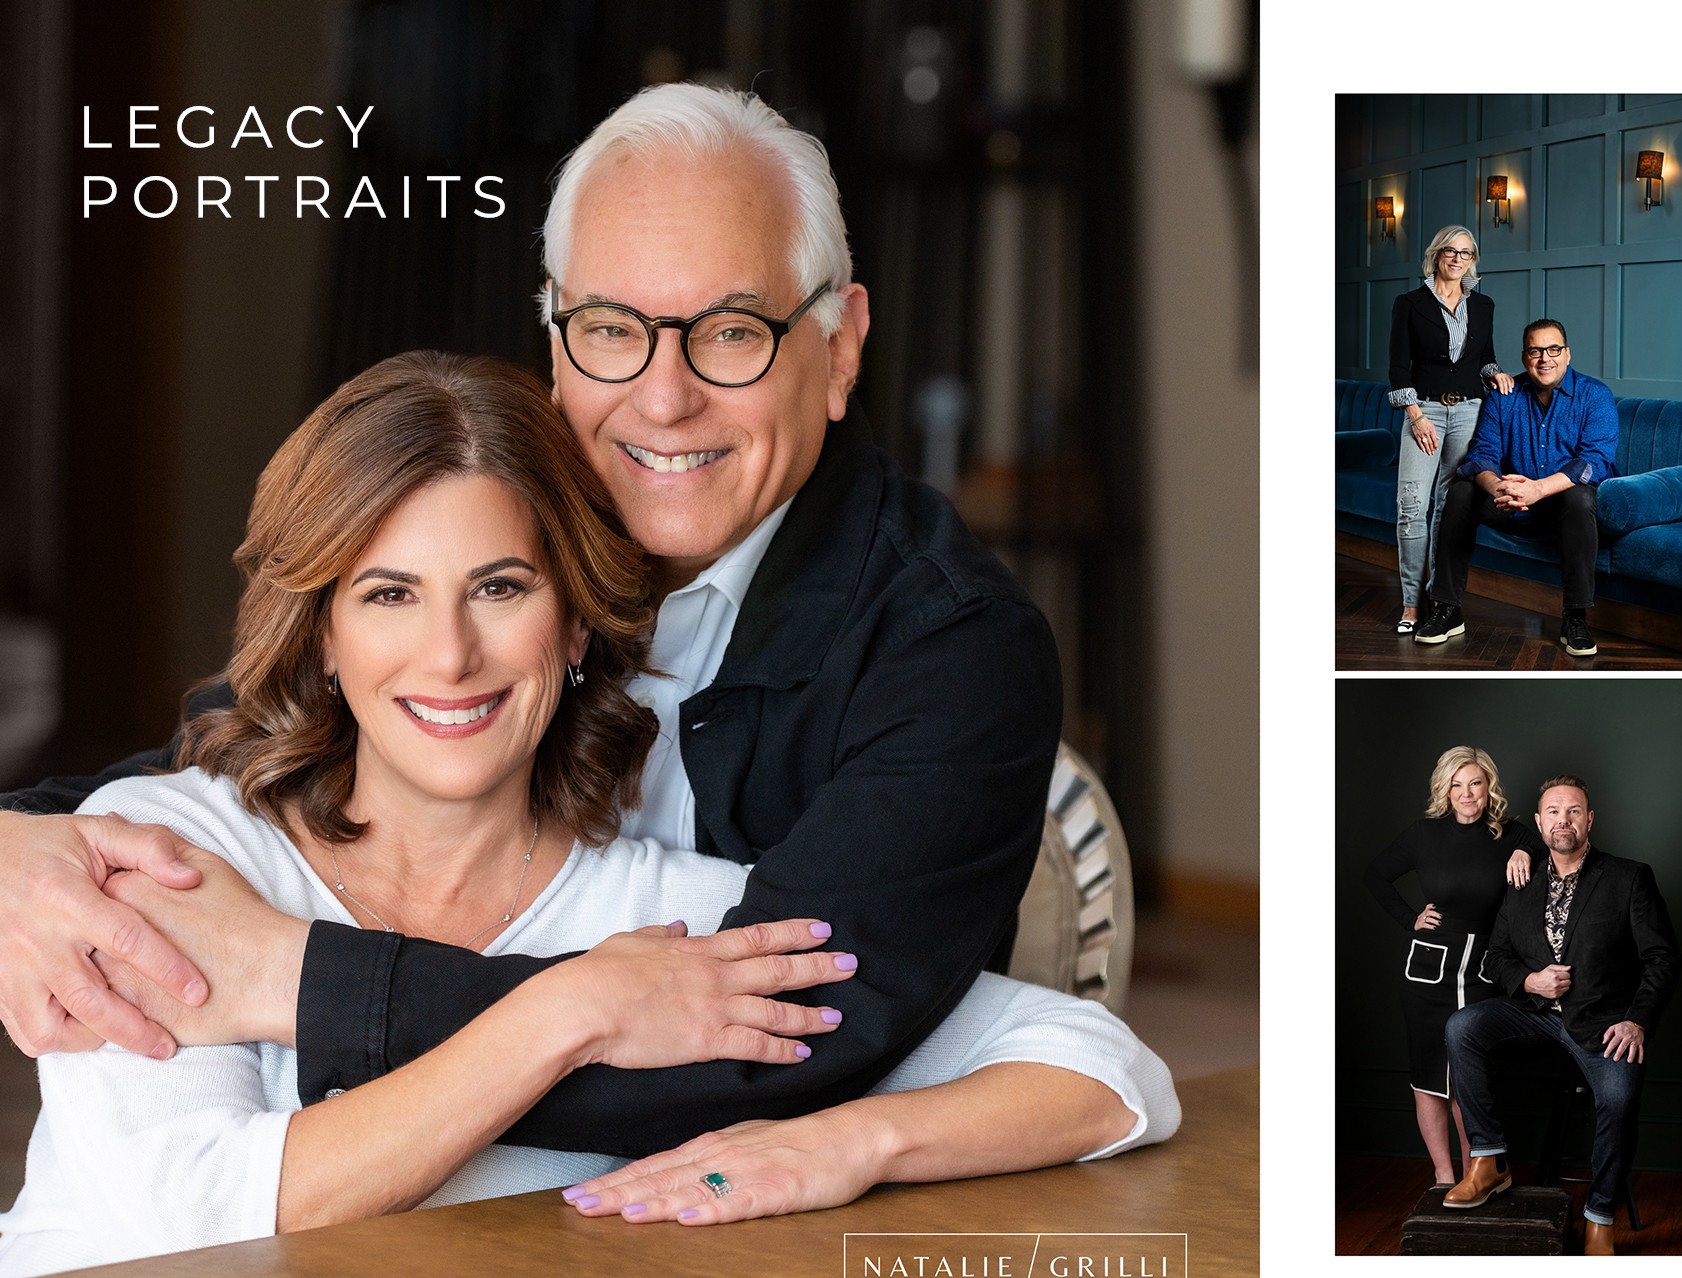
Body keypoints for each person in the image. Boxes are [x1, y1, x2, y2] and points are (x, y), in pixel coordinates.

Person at [0, 84, 1065, 1158]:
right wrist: (15, 842)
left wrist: (292, 981)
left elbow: (772, 1055)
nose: (662, 399)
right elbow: (276, 740)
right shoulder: (503, 524)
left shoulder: (956, 650)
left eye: (732, 333)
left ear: (838, 350)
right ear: (556, 343)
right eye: (612, 330)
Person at [0, 353, 1178, 1278]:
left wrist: (841, 1144)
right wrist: (566, 1013)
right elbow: (198, 1211)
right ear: (322, 633)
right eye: (389, 593)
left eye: (501, 590)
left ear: (573, 630)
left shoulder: (659, 917)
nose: (451, 655)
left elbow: (1101, 1069)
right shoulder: (165, 857)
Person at [1441, 775, 1680, 1256]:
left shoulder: (1629, 877)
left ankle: (1599, 1217)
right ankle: (1489, 1161)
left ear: (1589, 820)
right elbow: (1496, 956)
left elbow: (1663, 958)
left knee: (1618, 1096)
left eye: (1573, 811)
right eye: (1553, 812)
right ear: (1538, 822)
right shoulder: (1521, 881)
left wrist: (1637, 1020)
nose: (1563, 820)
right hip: (1534, 1015)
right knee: (1462, 1026)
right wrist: (1528, 981)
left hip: (1603, 1023)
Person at [1363, 747, 1539, 1185]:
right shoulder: (1423, 834)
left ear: (1488, 788)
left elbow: (1544, 837)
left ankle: (1474, 1176)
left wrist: (1525, 854)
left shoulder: (1510, 833)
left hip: (1483, 971)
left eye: (1475, 783)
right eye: (1457, 784)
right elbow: (1375, 874)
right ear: (1444, 789)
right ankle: (1444, 1177)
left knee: (1467, 1081)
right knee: (1428, 1079)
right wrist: (1410, 919)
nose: (1466, 793)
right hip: (1426, 971)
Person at [1413, 319, 1618, 657]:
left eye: (1553, 350)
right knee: (1462, 491)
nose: (1544, 359)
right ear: (1524, 357)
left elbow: (1594, 461)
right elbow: (1482, 453)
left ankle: (1576, 617)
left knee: (1580, 495)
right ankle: (1447, 609)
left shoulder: (1595, 396)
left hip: (1564, 510)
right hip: (1512, 503)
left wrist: (1537, 489)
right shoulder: (1504, 396)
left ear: (1567, 354)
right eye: (1535, 351)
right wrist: (1497, 488)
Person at [1384, 226, 1513, 634]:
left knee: (1449, 506)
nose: (1458, 259)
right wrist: (1415, 415)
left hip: (1469, 411)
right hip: (1423, 411)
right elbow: (1398, 366)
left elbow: (1484, 358)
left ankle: (1440, 598)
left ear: (1473, 260)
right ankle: (1410, 604)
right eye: (1451, 251)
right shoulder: (1409, 303)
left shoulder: (1485, 305)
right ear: (1437, 254)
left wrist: (1497, 374)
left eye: (1467, 253)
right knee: (1411, 506)